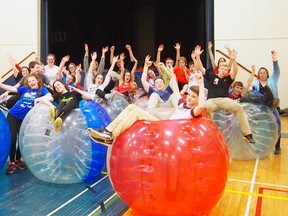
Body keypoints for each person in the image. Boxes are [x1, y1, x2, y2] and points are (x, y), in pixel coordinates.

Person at [87, 71, 205, 146]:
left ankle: (111, 136)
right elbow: (174, 86)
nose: (189, 98)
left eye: (193, 97)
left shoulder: (192, 111)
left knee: (137, 112)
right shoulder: (182, 104)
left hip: (167, 130)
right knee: (132, 106)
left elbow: (201, 106)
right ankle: (108, 131)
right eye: (189, 95)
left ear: (197, 99)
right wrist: (167, 69)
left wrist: (200, 83)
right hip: (163, 124)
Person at [194, 45, 255, 143]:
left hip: (224, 100)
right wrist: (197, 56)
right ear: (218, 69)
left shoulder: (227, 79)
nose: (224, 71)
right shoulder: (211, 76)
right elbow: (200, 67)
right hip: (211, 100)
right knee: (206, 107)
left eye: (226, 70)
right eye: (222, 69)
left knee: (238, 107)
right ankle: (212, 133)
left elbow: (235, 71)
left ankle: (247, 134)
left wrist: (234, 60)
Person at [0, 73, 53, 174]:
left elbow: (50, 97)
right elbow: (12, 89)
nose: (31, 82)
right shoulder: (25, 89)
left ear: (37, 80)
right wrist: (1, 85)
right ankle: (11, 162)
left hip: (24, 119)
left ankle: (18, 160)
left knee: (21, 140)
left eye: (33, 80)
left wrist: (39, 99)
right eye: (29, 81)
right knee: (13, 138)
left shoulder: (42, 90)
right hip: (13, 115)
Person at [251, 50, 281, 154]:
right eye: (260, 73)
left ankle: (277, 146)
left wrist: (274, 59)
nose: (262, 74)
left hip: (272, 107)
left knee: (277, 125)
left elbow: (277, 71)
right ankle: (260, 146)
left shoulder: (272, 80)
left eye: (264, 73)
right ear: (258, 75)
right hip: (260, 109)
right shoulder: (255, 84)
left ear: (267, 74)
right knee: (259, 127)